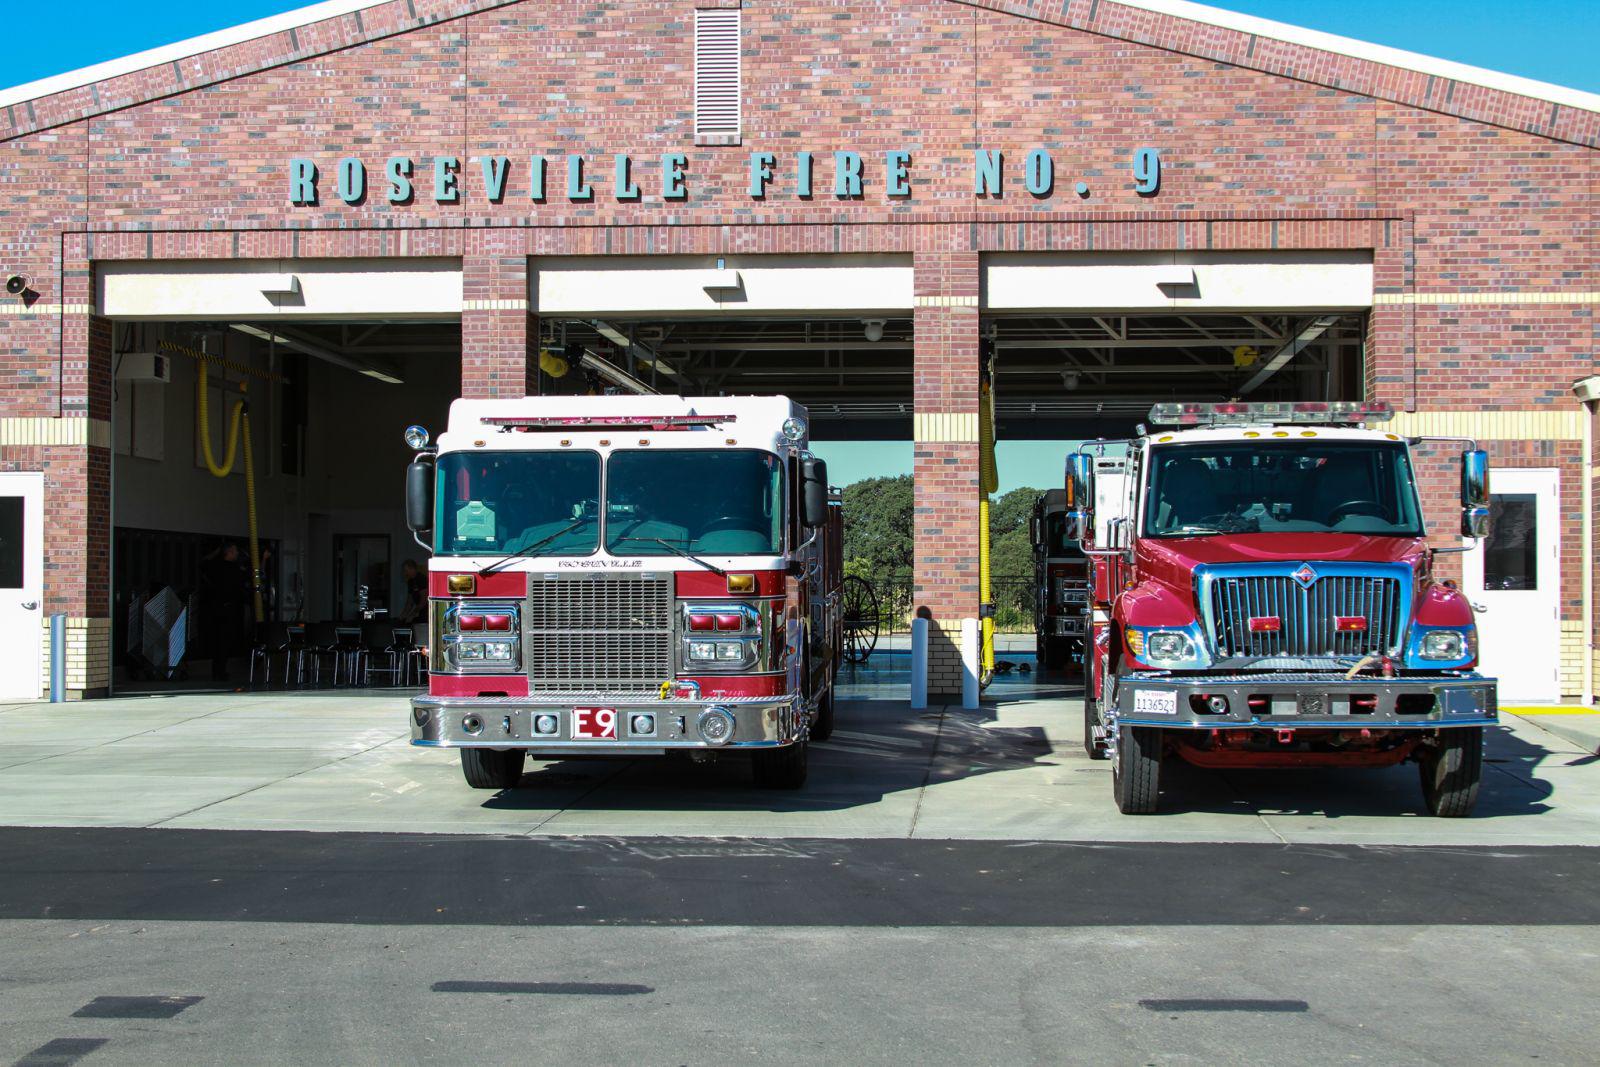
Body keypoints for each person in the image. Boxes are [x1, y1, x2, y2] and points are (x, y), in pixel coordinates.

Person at [202, 541, 250, 681]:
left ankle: (217, 670)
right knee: (224, 641)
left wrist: (217, 551)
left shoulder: (214, 567)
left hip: (215, 610)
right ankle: (220, 671)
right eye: (234, 551)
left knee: (217, 641)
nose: (237, 554)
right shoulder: (234, 570)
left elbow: (203, 562)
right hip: (229, 611)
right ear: (228, 552)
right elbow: (252, 576)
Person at [396, 559, 426, 623]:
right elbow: (410, 601)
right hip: (420, 611)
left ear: (412, 569)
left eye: (406, 570)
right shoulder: (410, 582)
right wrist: (403, 615)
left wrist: (412, 614)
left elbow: (424, 600)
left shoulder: (421, 579)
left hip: (427, 612)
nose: (404, 573)